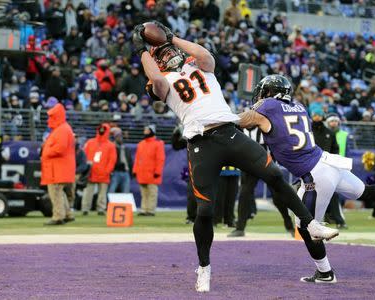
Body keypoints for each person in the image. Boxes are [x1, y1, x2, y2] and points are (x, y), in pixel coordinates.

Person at [133, 21, 339, 292]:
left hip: (229, 132)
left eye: (170, 50)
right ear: (156, 62)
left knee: (275, 175)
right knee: (205, 210)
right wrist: (142, 51)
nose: (168, 54)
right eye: (162, 54)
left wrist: (172, 37)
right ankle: (204, 267)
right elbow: (157, 82)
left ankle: (311, 225)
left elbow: (207, 57)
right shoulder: (160, 79)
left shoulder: (198, 64)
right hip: (200, 143)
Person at [239, 74, 375, 284]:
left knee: (305, 226)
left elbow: (245, 119)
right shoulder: (299, 106)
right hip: (328, 163)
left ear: (269, 92)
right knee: (367, 192)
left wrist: (222, 119)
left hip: (315, 174)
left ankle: (325, 273)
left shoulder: (269, 105)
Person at [228, 127, 295, 237]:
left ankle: (289, 225)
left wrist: (274, 162)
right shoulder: (240, 130)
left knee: (277, 197)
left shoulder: (263, 128)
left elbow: (275, 146)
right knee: (244, 194)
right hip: (248, 167)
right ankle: (240, 228)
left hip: (266, 165)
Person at [40, 103, 75, 225]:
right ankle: (68, 214)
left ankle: (58, 216)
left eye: (51, 117)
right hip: (60, 167)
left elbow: (60, 148)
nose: (49, 120)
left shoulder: (62, 130)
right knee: (59, 191)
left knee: (55, 191)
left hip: (58, 168)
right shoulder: (63, 128)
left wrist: (46, 152)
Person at [312, 110, 347, 229]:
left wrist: (333, 161)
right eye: (315, 115)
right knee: (310, 193)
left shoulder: (329, 133)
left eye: (319, 115)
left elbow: (335, 149)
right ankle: (310, 221)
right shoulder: (308, 132)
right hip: (311, 167)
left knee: (332, 193)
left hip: (327, 167)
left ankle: (339, 220)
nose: (317, 117)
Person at [81, 123, 117, 215]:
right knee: (88, 191)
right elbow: (84, 156)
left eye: (103, 129)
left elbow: (112, 160)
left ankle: (101, 208)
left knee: (102, 192)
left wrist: (107, 171)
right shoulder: (90, 142)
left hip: (103, 172)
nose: (101, 131)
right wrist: (86, 168)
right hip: (91, 171)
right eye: (100, 129)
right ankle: (85, 208)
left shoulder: (110, 145)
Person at [133, 124, 166, 216]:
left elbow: (160, 159)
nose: (145, 132)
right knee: (144, 193)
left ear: (152, 131)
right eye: (145, 130)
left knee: (152, 193)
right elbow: (137, 159)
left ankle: (150, 210)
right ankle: (144, 209)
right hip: (142, 173)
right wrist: (135, 170)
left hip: (152, 173)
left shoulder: (158, 144)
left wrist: (157, 172)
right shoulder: (141, 144)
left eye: (147, 130)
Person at [109, 127, 133, 194]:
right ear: (114, 138)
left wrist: (131, 173)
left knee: (125, 192)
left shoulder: (126, 148)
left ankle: (124, 204)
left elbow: (130, 161)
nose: (120, 138)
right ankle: (109, 204)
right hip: (116, 172)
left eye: (120, 136)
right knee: (111, 191)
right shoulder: (112, 147)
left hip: (126, 172)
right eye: (118, 136)